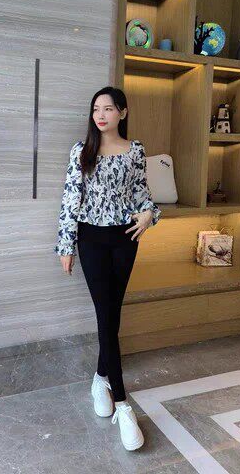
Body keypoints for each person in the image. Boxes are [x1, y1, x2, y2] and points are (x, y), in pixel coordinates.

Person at [54, 86, 161, 451]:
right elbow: (71, 198)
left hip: (125, 238)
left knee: (112, 315)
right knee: (105, 317)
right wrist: (66, 245)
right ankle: (124, 406)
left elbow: (142, 194)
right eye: (96, 109)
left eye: (109, 109)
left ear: (123, 112)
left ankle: (100, 378)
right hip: (91, 240)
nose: (101, 115)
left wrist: (149, 215)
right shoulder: (81, 150)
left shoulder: (135, 150)